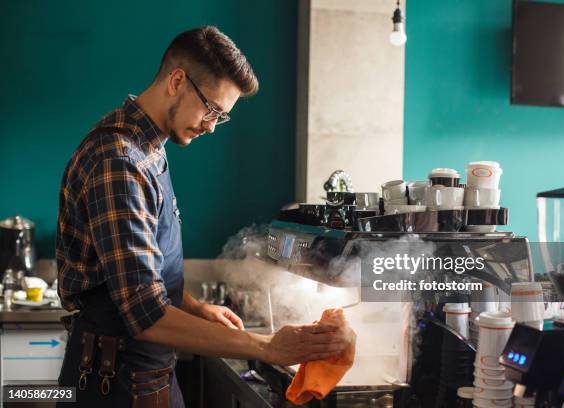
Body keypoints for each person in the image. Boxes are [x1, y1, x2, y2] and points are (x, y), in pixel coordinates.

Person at [56, 26, 353, 408]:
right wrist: (267, 347)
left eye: (222, 117)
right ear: (177, 81)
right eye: (211, 109)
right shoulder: (121, 161)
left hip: (144, 375)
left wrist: (196, 309)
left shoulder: (148, 150)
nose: (212, 125)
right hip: (114, 384)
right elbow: (146, 314)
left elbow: (144, 275)